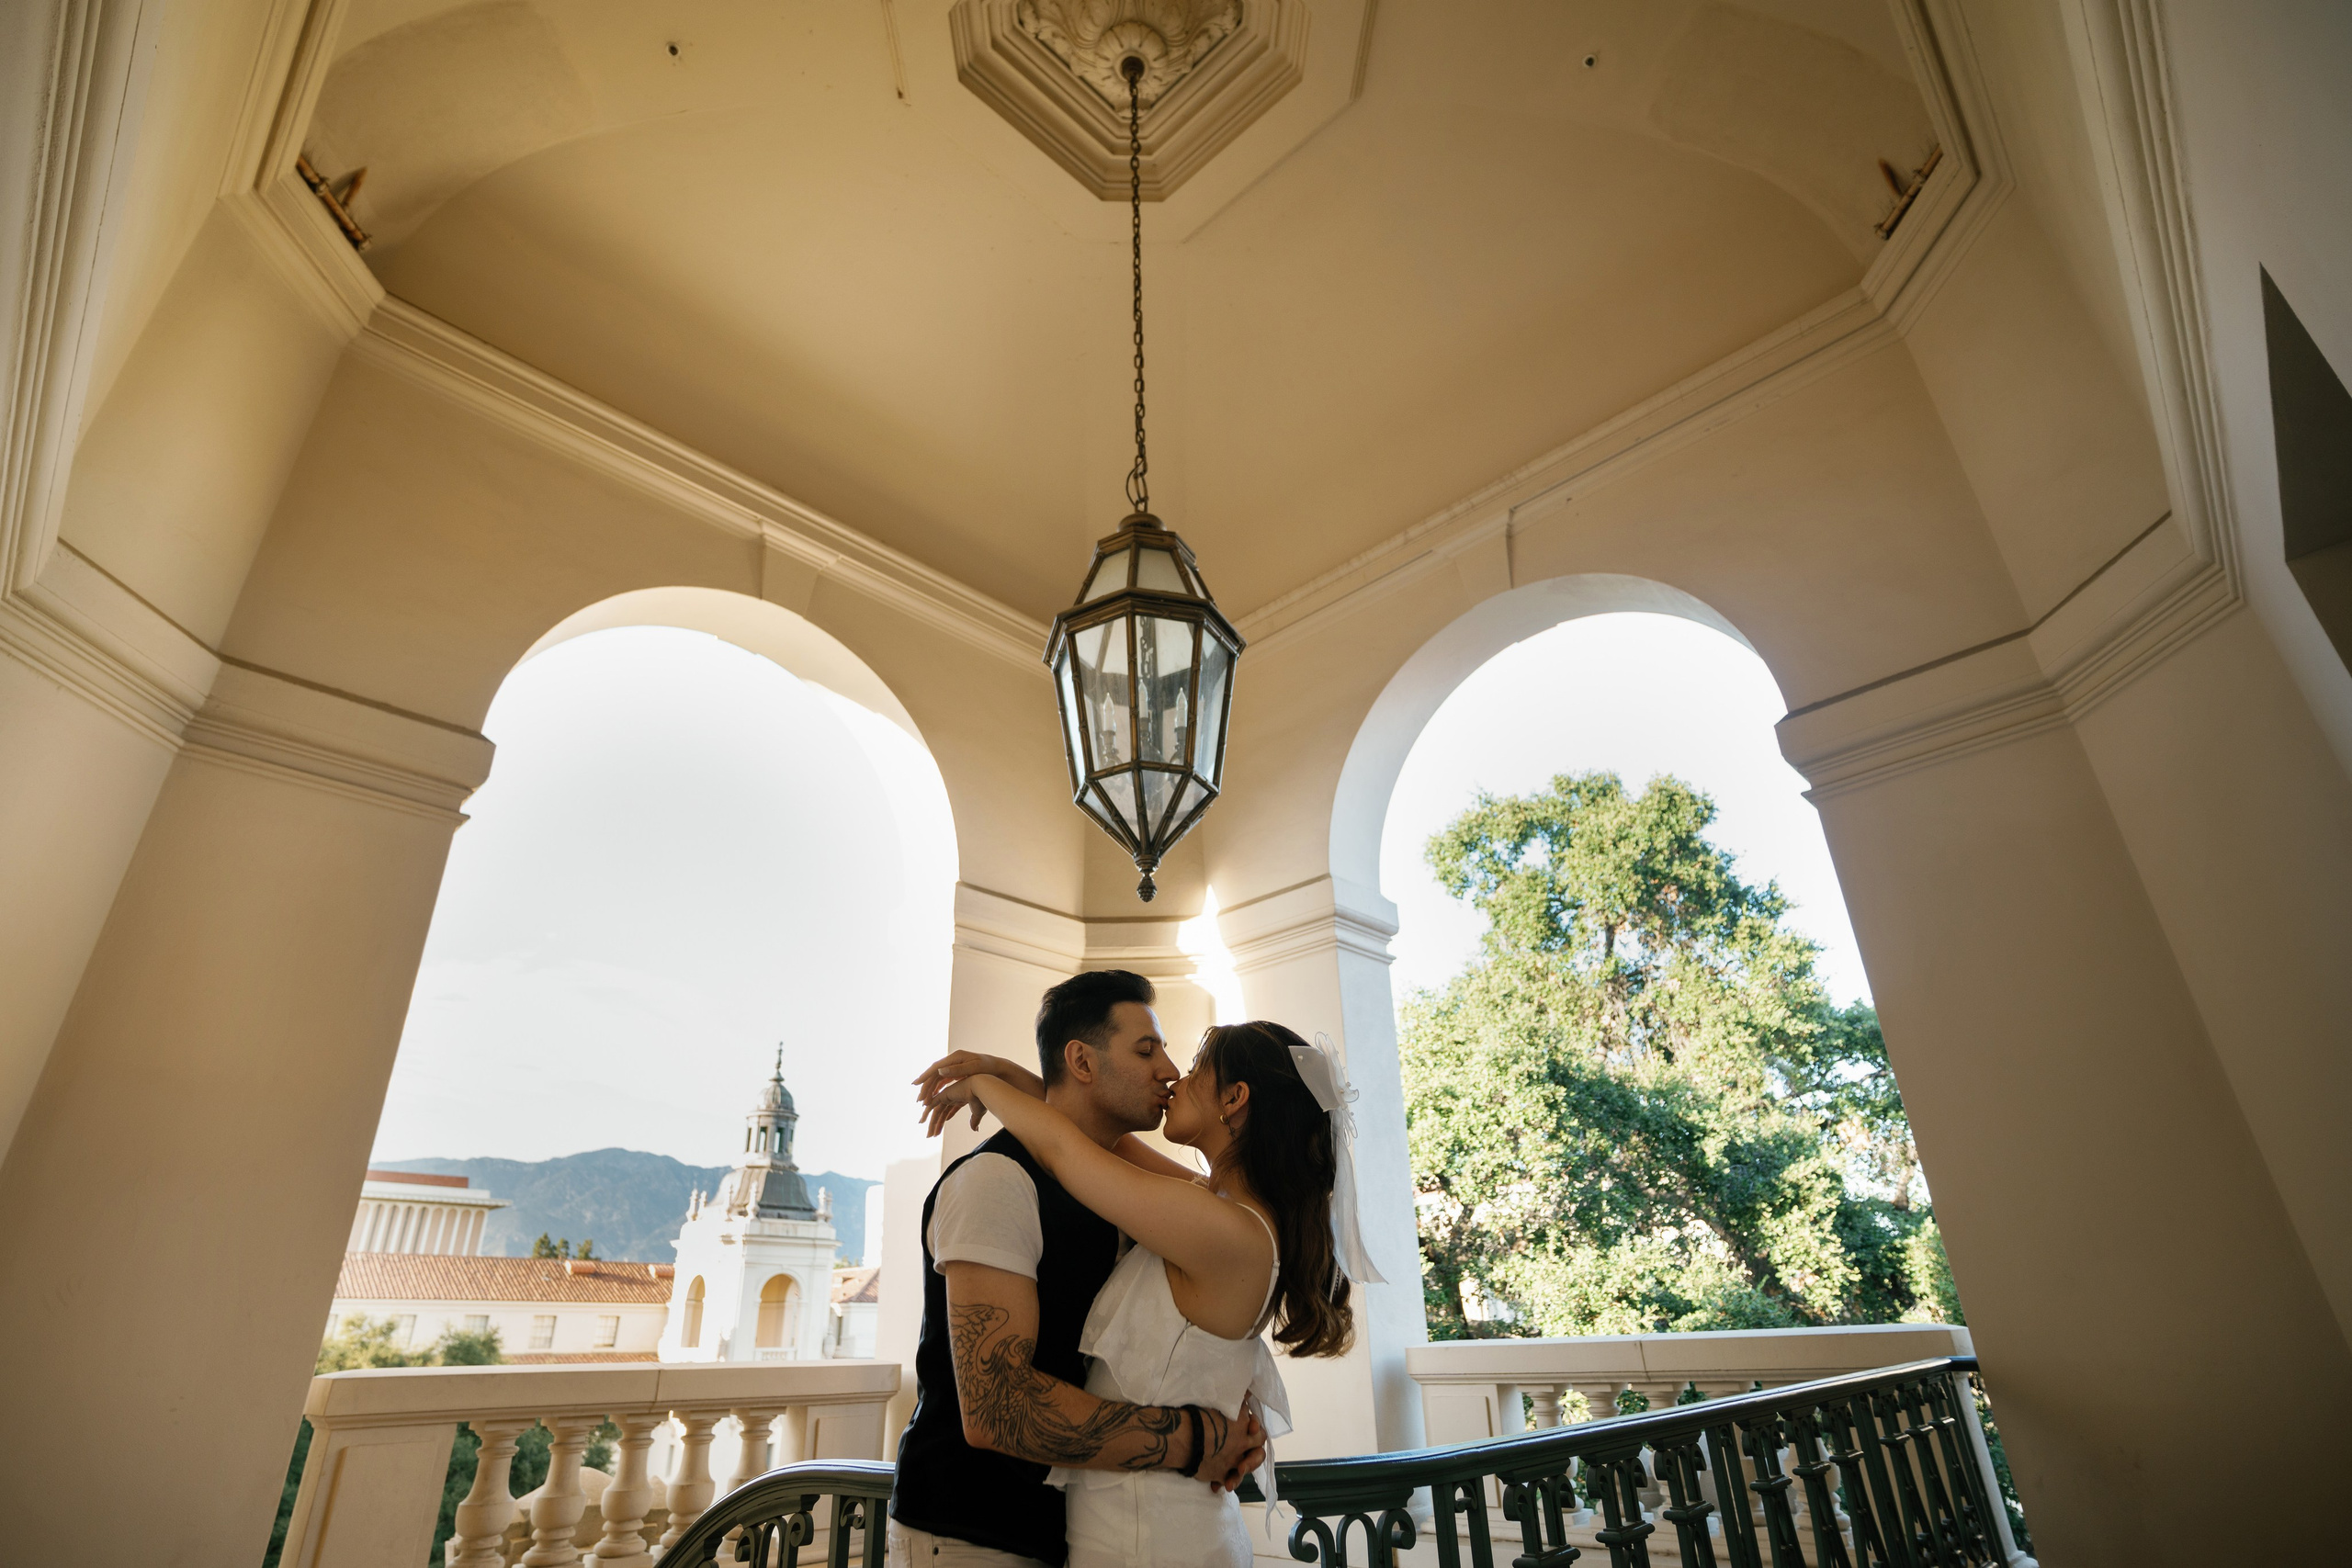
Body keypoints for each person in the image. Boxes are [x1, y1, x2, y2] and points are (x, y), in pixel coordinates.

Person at [912, 1016, 1382, 1568]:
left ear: (1234, 1098)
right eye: (1149, 1051)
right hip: (1147, 1521)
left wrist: (984, 1088)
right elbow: (1083, 1133)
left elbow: (1068, 1152)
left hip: (1149, 1536)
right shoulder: (1223, 1211)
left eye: (1198, 1069)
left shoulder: (1221, 1228)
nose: (1176, 1078)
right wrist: (1006, 1073)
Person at [888, 971, 1267, 1568]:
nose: (1168, 1070)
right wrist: (1195, 1439)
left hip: (1074, 1529)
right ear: (1082, 1062)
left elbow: (1072, 1145)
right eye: (1147, 1049)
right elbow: (998, 1408)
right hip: (971, 1535)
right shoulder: (996, 1183)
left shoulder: (1134, 1194)